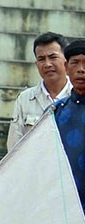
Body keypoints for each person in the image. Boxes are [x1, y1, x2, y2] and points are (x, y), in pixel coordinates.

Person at [8, 32, 69, 151]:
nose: (47, 64)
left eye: (53, 57)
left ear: (65, 60)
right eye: (41, 59)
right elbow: (14, 147)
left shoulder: (78, 95)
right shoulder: (25, 99)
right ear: (36, 64)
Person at [53, 40, 85, 214]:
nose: (81, 69)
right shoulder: (55, 111)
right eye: (75, 63)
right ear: (66, 67)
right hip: (64, 204)